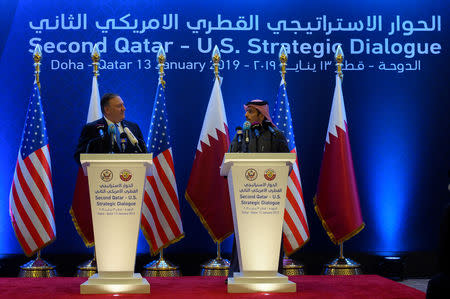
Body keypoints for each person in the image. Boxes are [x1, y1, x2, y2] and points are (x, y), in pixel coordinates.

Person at [228, 99, 289, 279]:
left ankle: (272, 272)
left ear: (261, 115)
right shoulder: (240, 134)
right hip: (247, 198)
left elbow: (287, 164)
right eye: (246, 111)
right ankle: (237, 272)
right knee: (243, 230)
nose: (246, 115)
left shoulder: (275, 135)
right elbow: (230, 160)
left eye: (251, 112)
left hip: (269, 198)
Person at [74, 93, 147, 164]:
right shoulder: (91, 128)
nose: (124, 109)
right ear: (107, 110)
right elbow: (79, 156)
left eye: (123, 105)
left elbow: (144, 153)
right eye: (119, 106)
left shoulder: (133, 127)